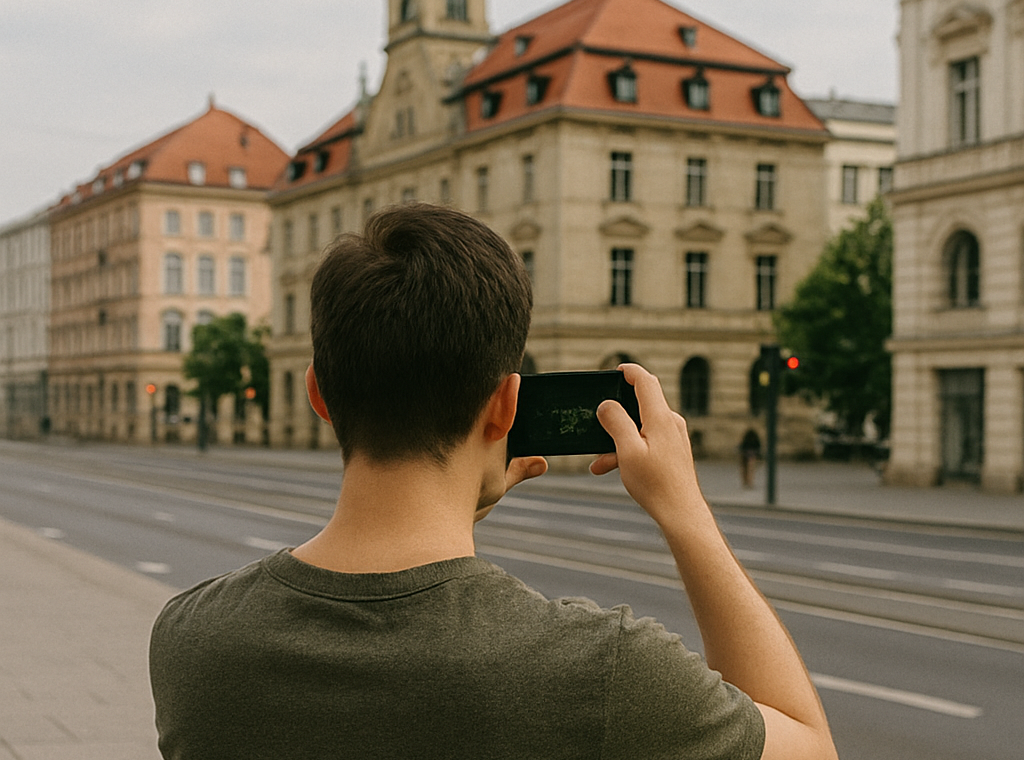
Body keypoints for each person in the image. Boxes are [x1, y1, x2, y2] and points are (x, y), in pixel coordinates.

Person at [149, 204, 837, 760]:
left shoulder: (191, 641)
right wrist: (686, 513)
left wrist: (450, 511)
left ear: (319, 394)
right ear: (506, 406)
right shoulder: (604, 670)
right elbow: (809, 745)